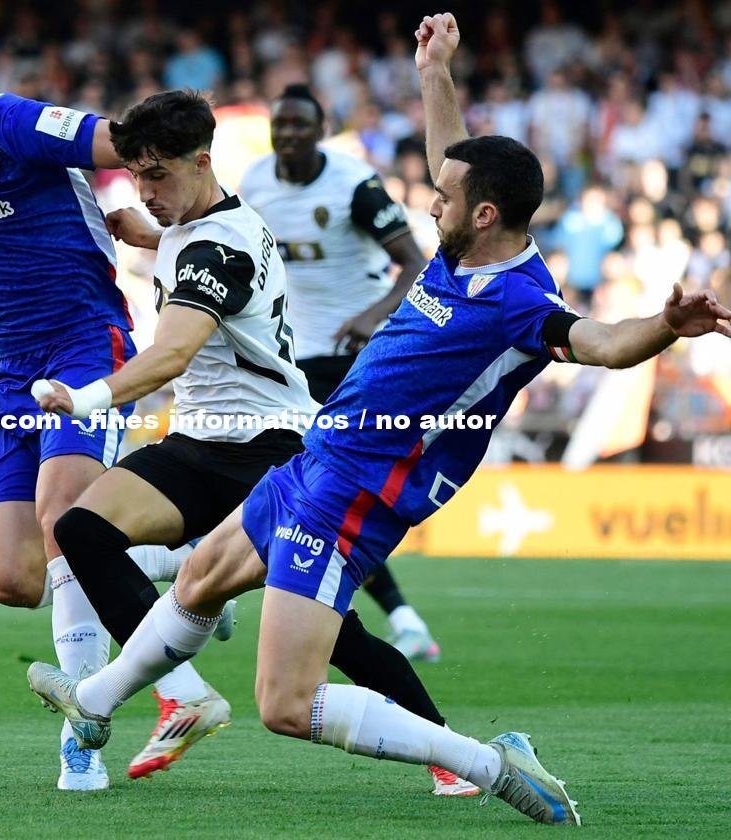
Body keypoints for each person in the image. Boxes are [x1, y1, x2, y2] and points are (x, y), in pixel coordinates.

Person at [29, 13, 731, 825]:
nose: (430, 202)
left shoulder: (520, 303)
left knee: (287, 704)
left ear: (484, 215)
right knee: (199, 579)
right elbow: (453, 157)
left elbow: (602, 344)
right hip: (316, 458)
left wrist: (663, 326)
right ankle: (95, 703)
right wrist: (435, 72)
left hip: (358, 492)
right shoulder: (464, 246)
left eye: (444, 199)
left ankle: (488, 761)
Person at [34, 89, 476, 796]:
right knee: (81, 529)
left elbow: (173, 353)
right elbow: (192, 250)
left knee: (340, 638)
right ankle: (184, 687)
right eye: (137, 176)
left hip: (268, 451)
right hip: (200, 443)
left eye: (158, 176)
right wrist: (150, 234)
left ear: (201, 162)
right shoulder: (206, 223)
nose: (146, 192)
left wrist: (85, 397)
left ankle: (451, 753)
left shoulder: (215, 248)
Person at [0, 24, 194, 791]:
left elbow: (121, 141)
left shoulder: (20, 125)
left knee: (61, 518)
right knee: (14, 578)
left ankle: (84, 741)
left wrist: (174, 212)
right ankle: (192, 567)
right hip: (5, 373)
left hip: (83, 344)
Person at [240, 83, 441, 663]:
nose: (289, 134)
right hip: (295, 356)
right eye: (281, 123)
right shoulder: (254, 182)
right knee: (294, 481)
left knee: (318, 486)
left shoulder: (354, 184)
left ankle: (207, 582)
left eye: (300, 124)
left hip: (360, 355)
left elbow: (416, 264)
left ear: (321, 130)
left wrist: (371, 315)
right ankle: (396, 618)